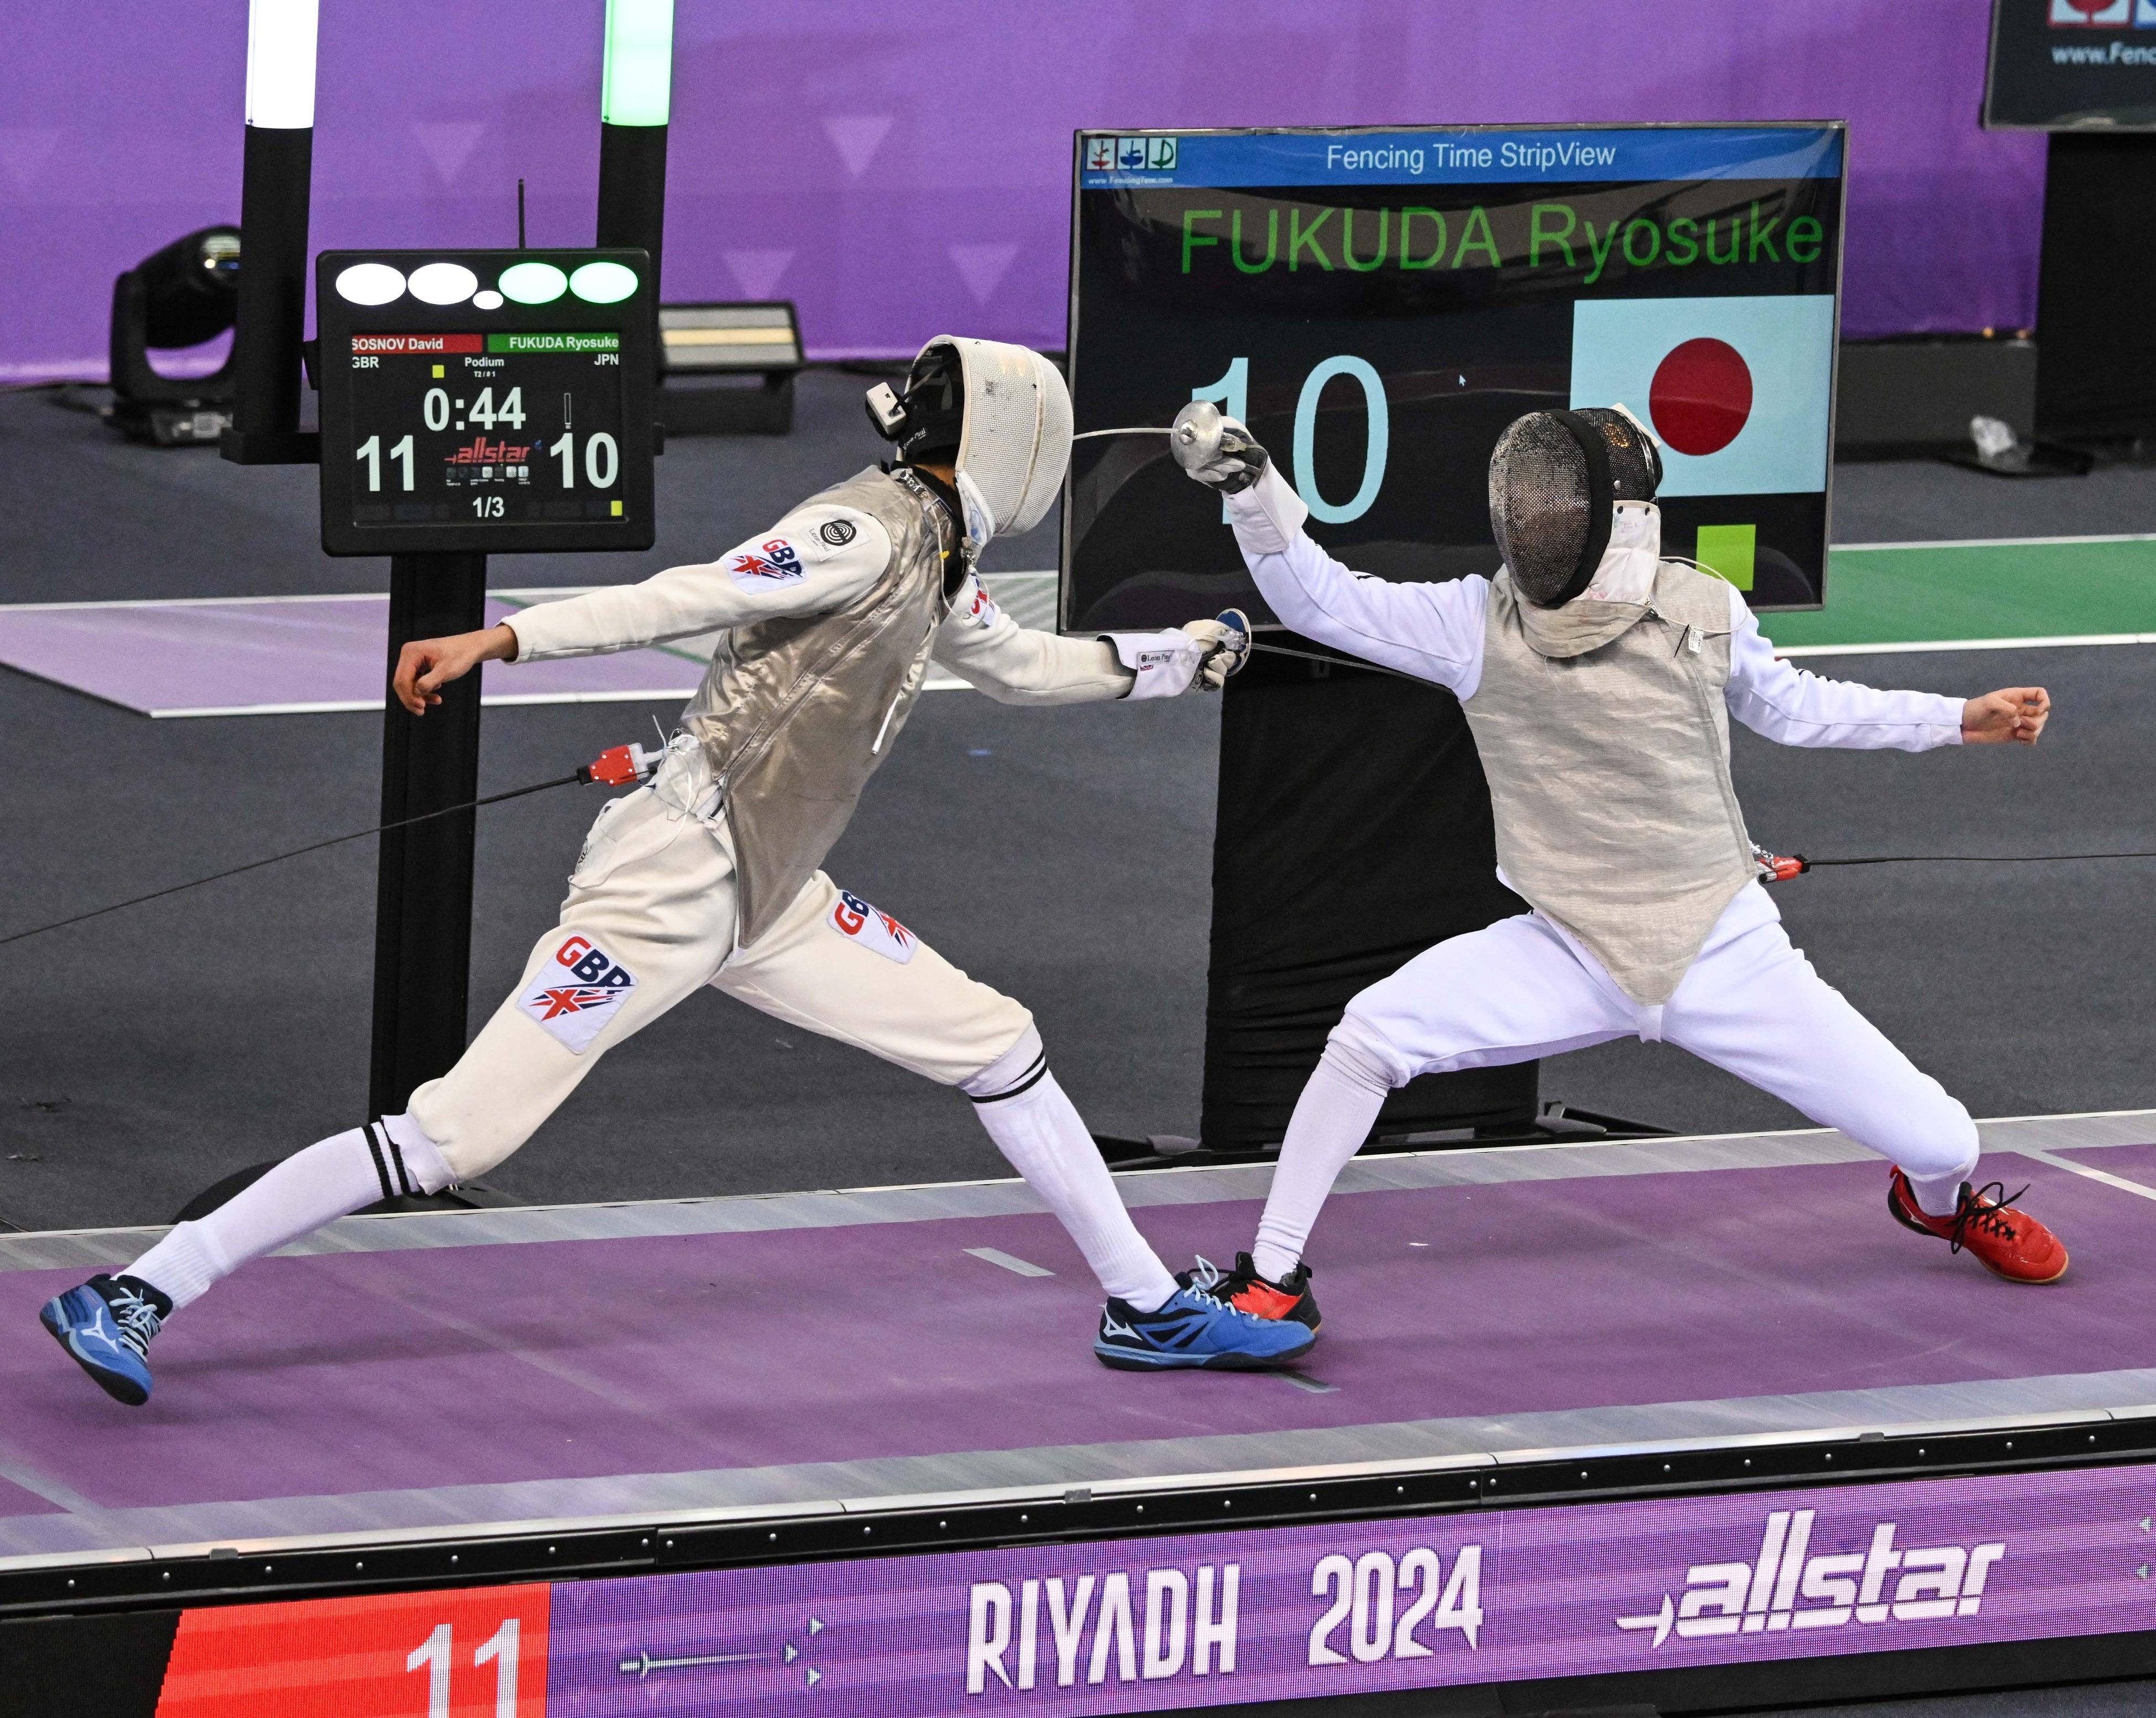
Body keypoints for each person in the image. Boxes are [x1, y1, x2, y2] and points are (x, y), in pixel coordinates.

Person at [40, 339, 1314, 1405]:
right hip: (671, 883)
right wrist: (504, 638)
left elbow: (1024, 668)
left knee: (998, 1042)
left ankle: (1144, 1305)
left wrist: (1182, 655)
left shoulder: (937, 555)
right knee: (453, 1135)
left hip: (774, 890)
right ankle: (141, 1288)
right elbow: (691, 594)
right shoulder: (864, 531)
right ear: (1015, 444)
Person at [1169, 401, 2065, 1334]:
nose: (1540, 525)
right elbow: (1320, 600)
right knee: (1368, 1037)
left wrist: (1955, 719)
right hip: (1569, 944)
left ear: (1623, 518)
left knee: (1944, 1141)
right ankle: (1272, 1278)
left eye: (1561, 507)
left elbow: (1796, 707)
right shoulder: (1476, 622)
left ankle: (1938, 1203)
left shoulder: (1701, 608)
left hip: (1722, 947)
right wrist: (1251, 491)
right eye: (1531, 507)